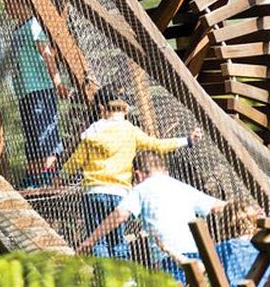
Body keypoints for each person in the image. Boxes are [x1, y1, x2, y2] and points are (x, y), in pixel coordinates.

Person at [60, 91, 201, 258]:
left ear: (103, 110)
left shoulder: (93, 132)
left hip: (94, 191)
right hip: (119, 192)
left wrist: (60, 177)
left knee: (98, 240)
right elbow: (156, 145)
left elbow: (76, 160)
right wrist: (186, 140)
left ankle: (107, 279)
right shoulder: (131, 131)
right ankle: (125, 279)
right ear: (125, 111)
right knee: (118, 239)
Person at [75, 150, 220, 268]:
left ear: (138, 174)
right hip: (196, 253)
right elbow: (218, 206)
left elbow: (120, 214)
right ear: (165, 170)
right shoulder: (182, 186)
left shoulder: (142, 188)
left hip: (167, 257)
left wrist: (90, 241)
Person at [0, 0, 69, 187]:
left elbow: (47, 55)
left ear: (18, 1)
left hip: (40, 89)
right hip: (25, 92)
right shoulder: (18, 29)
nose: (6, 8)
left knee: (44, 133)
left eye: (8, 3)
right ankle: (35, 175)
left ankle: (50, 176)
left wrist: (58, 83)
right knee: (31, 135)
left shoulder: (34, 25)